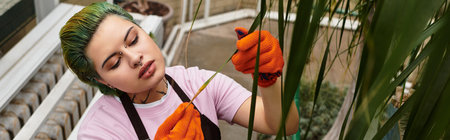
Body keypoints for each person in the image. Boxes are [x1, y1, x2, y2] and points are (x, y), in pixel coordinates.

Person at [60, 2, 298, 139]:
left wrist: (268, 77)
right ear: (102, 80)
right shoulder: (100, 131)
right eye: (114, 63)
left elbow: (281, 125)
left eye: (133, 40)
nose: (135, 58)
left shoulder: (199, 83)